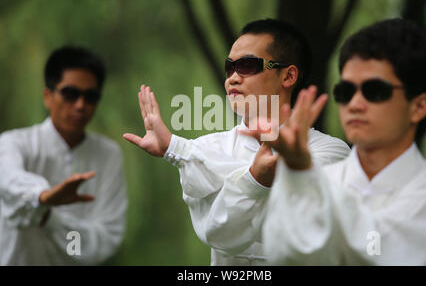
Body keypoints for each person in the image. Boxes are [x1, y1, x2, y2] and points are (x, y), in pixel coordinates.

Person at [123, 19, 350, 265]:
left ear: (288, 75)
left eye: (247, 65)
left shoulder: (331, 151)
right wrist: (258, 177)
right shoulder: (208, 148)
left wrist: (178, 150)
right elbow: (219, 234)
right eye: (229, 67)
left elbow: (301, 223)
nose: (232, 78)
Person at [243, 18, 426, 265]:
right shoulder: (315, 178)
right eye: (346, 92)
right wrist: (297, 171)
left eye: (374, 91)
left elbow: (380, 252)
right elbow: (284, 255)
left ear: (418, 106)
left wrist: (303, 175)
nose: (354, 104)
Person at [0, 46, 128, 265]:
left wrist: (49, 218)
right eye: (70, 94)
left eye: (91, 97)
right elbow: (8, 184)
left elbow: (105, 240)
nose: (80, 105)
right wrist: (42, 197)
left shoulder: (108, 155)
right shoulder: (13, 143)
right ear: (48, 96)